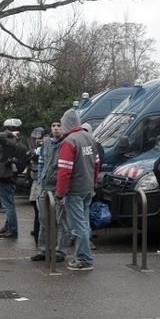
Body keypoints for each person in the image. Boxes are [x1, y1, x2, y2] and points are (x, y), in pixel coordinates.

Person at [56, 108, 100, 271]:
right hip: (88, 188)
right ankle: (84, 256)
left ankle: (84, 258)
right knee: (84, 223)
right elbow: (96, 164)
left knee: (78, 225)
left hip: (74, 190)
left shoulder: (69, 142)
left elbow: (64, 170)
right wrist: (94, 183)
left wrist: (60, 193)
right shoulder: (89, 138)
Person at [31, 117, 69, 262]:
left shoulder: (67, 144)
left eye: (59, 125)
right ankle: (43, 250)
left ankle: (60, 251)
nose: (56, 128)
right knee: (44, 220)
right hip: (44, 187)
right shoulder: (46, 143)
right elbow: (41, 163)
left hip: (59, 188)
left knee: (61, 222)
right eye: (53, 125)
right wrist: (40, 179)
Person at [0, 122, 26, 239]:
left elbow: (0, 137)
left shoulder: (9, 142)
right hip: (5, 176)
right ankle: (8, 227)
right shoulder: (11, 143)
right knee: (8, 204)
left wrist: (9, 132)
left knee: (8, 205)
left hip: (5, 177)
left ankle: (12, 230)